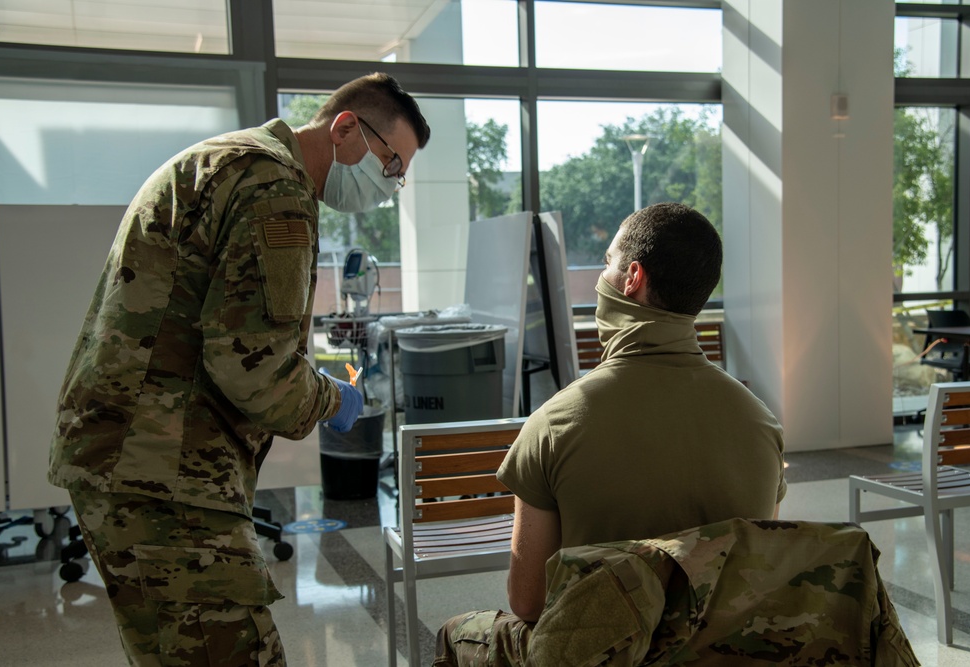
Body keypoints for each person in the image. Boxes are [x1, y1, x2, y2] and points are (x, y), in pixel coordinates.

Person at [48, 72, 430, 666]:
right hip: (166, 468)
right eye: (391, 163)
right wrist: (333, 399)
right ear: (347, 127)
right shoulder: (274, 187)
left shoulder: (225, 160)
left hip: (129, 452)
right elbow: (253, 369)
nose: (391, 183)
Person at [435, 202, 787, 666]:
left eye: (606, 262)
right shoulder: (760, 425)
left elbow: (529, 602)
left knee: (454, 635)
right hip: (719, 653)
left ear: (632, 277)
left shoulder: (556, 424)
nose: (602, 276)